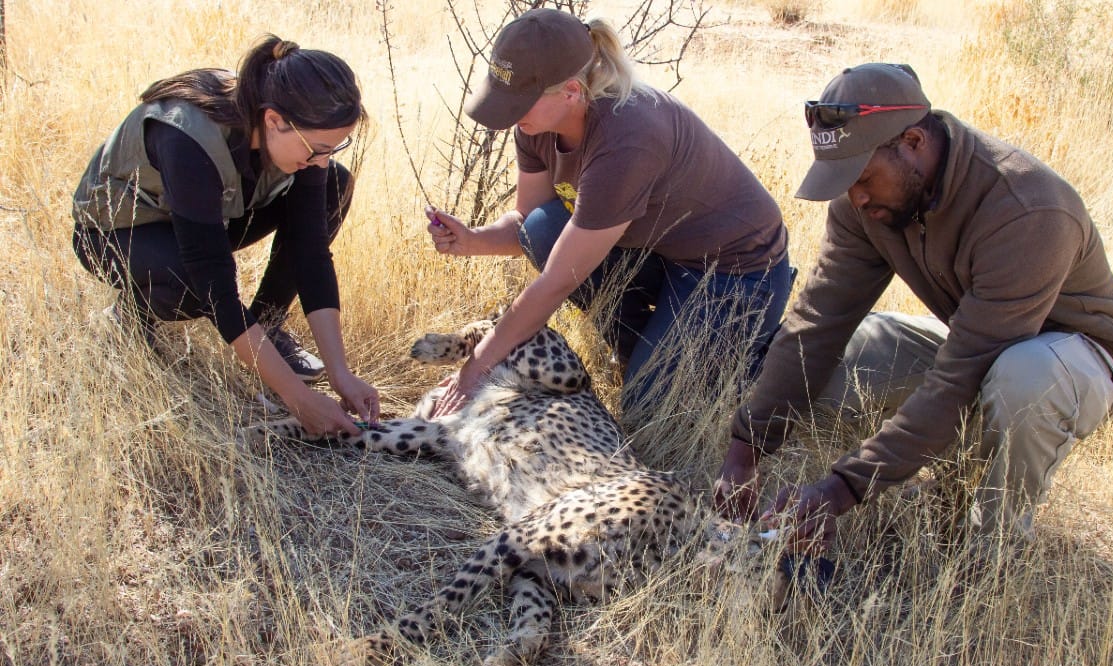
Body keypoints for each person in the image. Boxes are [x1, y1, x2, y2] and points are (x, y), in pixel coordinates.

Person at [712, 63, 1113, 552]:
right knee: (837, 365)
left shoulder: (1028, 209)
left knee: (1023, 378)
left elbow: (961, 373)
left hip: (1070, 359)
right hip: (979, 340)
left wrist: (841, 489)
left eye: (863, 175)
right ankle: (957, 459)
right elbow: (818, 320)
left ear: (914, 142)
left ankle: (989, 552)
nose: (856, 195)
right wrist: (746, 447)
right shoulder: (867, 202)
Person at [423, 8, 792, 418]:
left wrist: (475, 368)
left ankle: (768, 357)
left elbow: (556, 283)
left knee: (652, 410)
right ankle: (645, 355)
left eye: (520, 101)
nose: (509, 113)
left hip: (734, 270)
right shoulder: (534, 124)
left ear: (571, 91)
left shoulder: (626, 136)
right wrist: (472, 240)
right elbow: (528, 225)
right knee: (543, 229)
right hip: (658, 251)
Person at [72, 34, 380, 436]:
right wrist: (299, 401)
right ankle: (130, 316)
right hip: (118, 232)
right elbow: (215, 283)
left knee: (332, 186)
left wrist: (341, 375)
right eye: (317, 148)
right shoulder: (187, 137)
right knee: (190, 283)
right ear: (273, 120)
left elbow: (311, 251)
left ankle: (266, 326)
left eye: (332, 148)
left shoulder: (294, 127)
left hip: (203, 218)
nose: (320, 160)